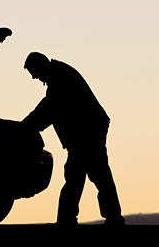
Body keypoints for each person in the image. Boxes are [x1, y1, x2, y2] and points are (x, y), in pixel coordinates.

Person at [21, 52, 125, 226]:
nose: (35, 78)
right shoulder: (59, 74)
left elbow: (49, 108)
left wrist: (24, 127)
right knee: (89, 176)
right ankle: (106, 217)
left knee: (86, 175)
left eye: (35, 73)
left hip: (87, 134)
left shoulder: (60, 78)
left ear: (41, 67)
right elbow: (49, 108)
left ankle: (71, 219)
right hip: (87, 133)